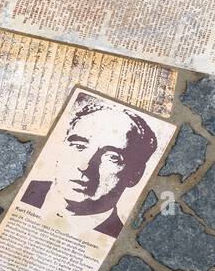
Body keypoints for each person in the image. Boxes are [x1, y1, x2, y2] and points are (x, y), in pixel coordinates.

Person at [21, 97, 158, 238]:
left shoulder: (117, 238)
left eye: (112, 156)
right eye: (79, 146)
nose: (85, 166)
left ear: (135, 175)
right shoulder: (22, 192)